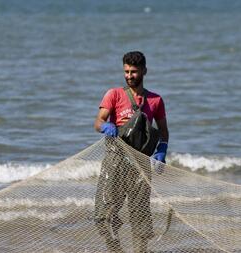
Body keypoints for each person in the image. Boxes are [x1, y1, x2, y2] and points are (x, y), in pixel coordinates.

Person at [94, 51, 169, 253]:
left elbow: (163, 132)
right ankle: (115, 250)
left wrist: (162, 151)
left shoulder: (155, 100)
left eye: (134, 72)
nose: (129, 76)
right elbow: (98, 121)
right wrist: (104, 127)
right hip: (115, 160)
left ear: (144, 71)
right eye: (126, 71)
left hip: (141, 164)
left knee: (140, 217)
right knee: (104, 215)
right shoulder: (114, 94)